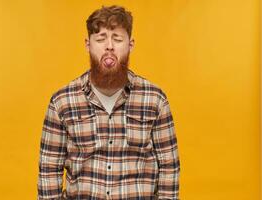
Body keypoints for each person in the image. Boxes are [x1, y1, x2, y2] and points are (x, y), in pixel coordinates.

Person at [37, 5, 180, 200]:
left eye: (118, 39)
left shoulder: (155, 99)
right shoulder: (62, 101)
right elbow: (49, 169)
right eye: (101, 39)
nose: (109, 46)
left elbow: (169, 166)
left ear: (131, 44)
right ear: (88, 45)